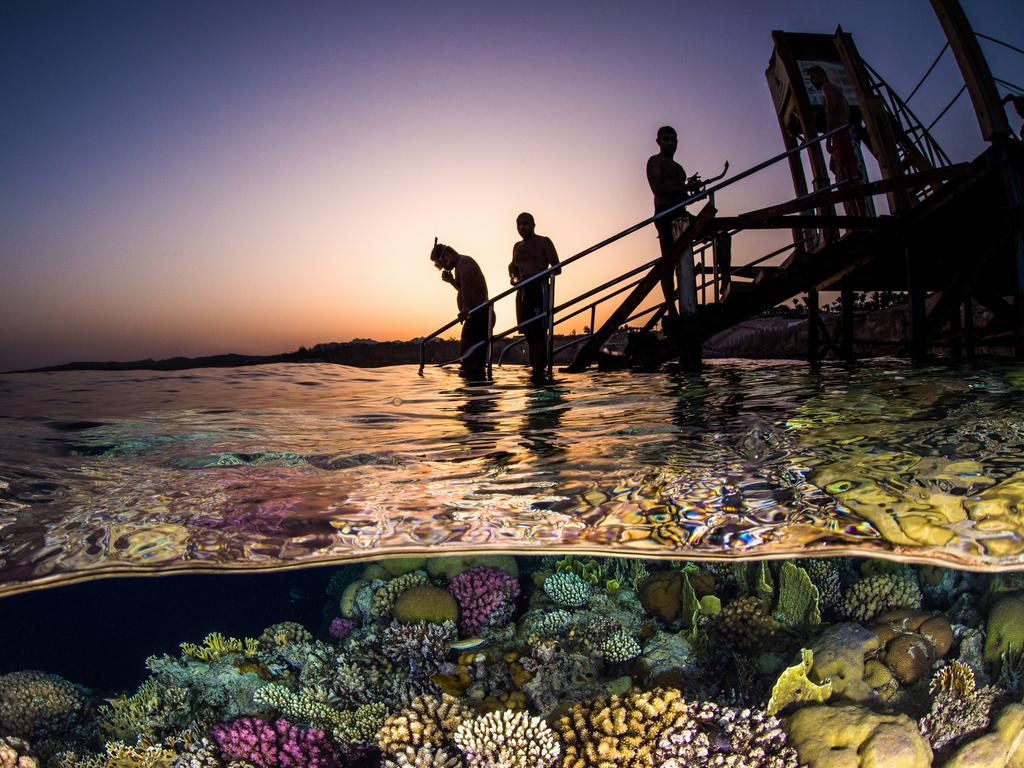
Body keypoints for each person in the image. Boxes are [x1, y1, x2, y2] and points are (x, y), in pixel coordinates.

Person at [647, 126, 701, 318]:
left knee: (720, 234)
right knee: (668, 262)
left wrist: (695, 192)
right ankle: (672, 308)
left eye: (674, 139)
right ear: (659, 141)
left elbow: (681, 194)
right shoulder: (654, 161)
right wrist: (685, 188)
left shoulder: (679, 168)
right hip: (665, 214)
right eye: (667, 139)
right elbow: (658, 189)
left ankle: (725, 280)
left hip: (681, 213)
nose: (671, 143)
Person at [806, 65, 867, 217]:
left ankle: (861, 215)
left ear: (820, 75)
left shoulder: (827, 87)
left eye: (813, 77)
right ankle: (855, 214)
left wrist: (828, 135)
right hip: (839, 132)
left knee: (849, 173)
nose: (812, 81)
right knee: (841, 173)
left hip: (839, 132)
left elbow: (832, 109)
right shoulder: (831, 89)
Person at [430, 240, 493, 378]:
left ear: (447, 255)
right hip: (477, 315)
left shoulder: (464, 263)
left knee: (469, 360)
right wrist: (452, 281)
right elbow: (464, 289)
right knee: (473, 361)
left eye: (440, 264)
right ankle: (477, 393)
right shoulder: (460, 266)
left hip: (479, 315)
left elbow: (467, 288)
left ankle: (475, 393)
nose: (443, 268)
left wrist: (465, 308)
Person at [508, 212, 560, 376]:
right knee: (529, 335)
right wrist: (512, 273)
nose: (522, 227)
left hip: (539, 290)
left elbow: (557, 267)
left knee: (538, 334)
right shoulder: (517, 246)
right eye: (519, 224)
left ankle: (540, 373)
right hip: (522, 293)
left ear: (533, 225)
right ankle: (535, 373)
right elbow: (515, 272)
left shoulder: (544, 242)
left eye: (525, 223)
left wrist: (536, 276)